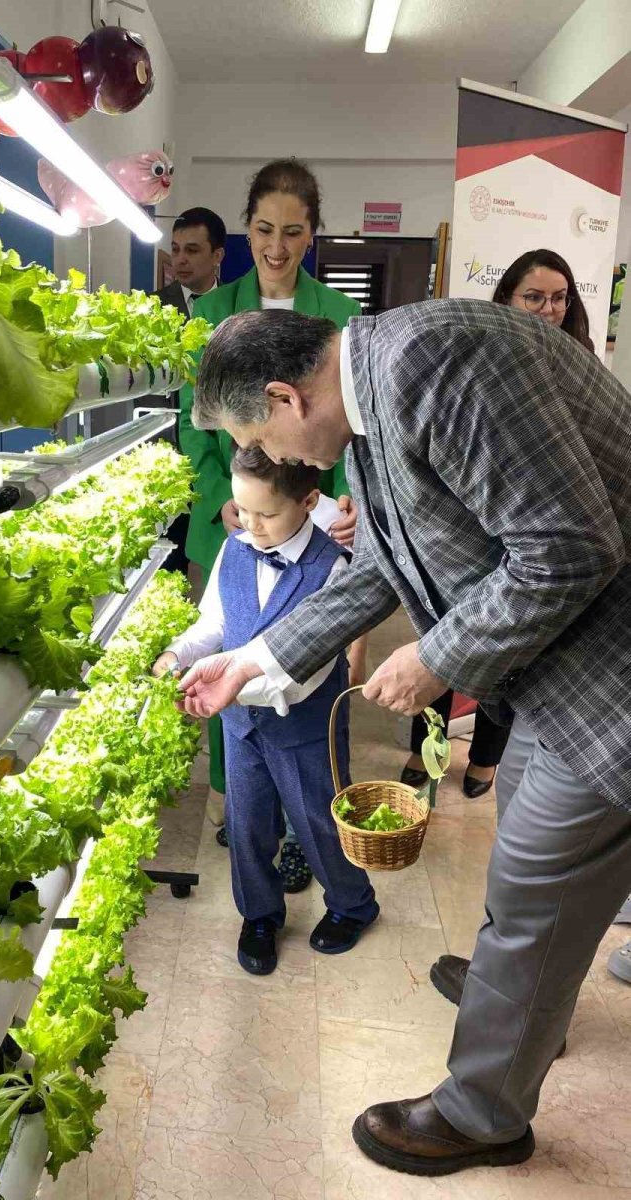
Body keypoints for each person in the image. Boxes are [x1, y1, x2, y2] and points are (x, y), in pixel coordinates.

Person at [176, 301, 631, 1177]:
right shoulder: (376, 390)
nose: (272, 462)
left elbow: (569, 549)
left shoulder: (436, 366)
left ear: (282, 396)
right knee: (530, 887)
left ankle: (484, 1112)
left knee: (539, 882)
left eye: (258, 439)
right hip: (560, 668)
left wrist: (438, 656)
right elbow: (386, 567)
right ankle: (524, 997)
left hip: (607, 677)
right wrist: (257, 658)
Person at [179, 158, 364, 857]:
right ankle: (239, 800)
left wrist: (350, 504)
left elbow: (352, 433)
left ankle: (308, 808)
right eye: (263, 229)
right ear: (245, 231)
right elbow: (189, 424)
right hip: (234, 517)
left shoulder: (340, 316)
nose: (277, 246)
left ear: (312, 234)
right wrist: (224, 503)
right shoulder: (209, 313)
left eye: (292, 231)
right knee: (229, 651)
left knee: (315, 666)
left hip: (316, 517)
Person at [153, 446, 378, 975]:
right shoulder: (235, 551)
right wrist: (178, 653)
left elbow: (311, 672)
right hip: (239, 726)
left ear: (309, 501)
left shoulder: (332, 566)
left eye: (268, 514)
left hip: (302, 725)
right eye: (243, 510)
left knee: (319, 822)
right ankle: (258, 914)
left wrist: (231, 686)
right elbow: (213, 623)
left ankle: (353, 904)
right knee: (247, 823)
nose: (252, 525)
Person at [401, 247, 594, 798]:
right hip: (468, 532)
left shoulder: (577, 361)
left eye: (559, 298)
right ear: (506, 298)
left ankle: (485, 758)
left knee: (506, 657)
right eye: (534, 296)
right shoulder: (480, 358)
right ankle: (425, 751)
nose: (548, 309)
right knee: (440, 639)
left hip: (536, 538)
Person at [152, 207, 227, 576]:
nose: (180, 260)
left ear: (217, 255)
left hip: (220, 453)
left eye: (192, 250)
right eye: (176, 248)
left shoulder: (235, 307)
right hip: (167, 452)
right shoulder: (151, 307)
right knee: (169, 558)